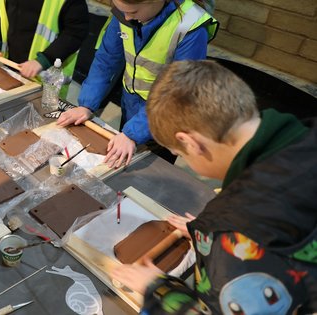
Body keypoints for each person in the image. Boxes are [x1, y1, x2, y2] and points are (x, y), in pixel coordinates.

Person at [112, 60, 317, 314]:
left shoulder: (232, 232)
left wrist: (157, 289)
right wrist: (205, 235)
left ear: (191, 143)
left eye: (180, 153)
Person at [57, 0, 217, 168]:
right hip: (132, 104)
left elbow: (178, 93)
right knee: (121, 160)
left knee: (152, 169)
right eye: (121, 10)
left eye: (133, 13)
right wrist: (87, 104)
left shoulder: (190, 27)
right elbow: (106, 61)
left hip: (167, 115)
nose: (126, 17)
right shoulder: (124, 14)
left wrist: (133, 133)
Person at [0, 0, 89, 79]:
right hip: (8, 69)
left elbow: (74, 33)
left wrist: (43, 61)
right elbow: (1, 14)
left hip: (46, 81)